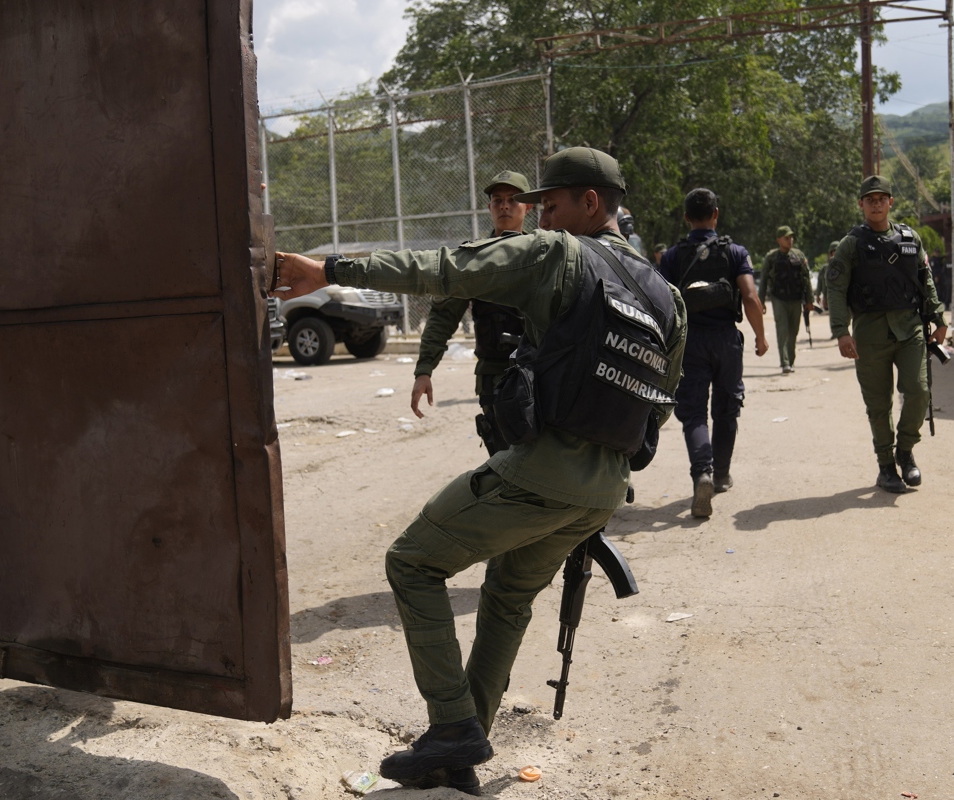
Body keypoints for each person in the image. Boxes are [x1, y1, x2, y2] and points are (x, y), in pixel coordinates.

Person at [275, 147, 685, 795]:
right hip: (604, 488)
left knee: (412, 561)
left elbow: (444, 269)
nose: (540, 216)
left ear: (591, 202)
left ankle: (452, 727)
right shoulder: (667, 294)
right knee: (508, 595)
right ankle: (457, 750)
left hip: (545, 467)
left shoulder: (557, 254)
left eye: (550, 205)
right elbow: (660, 401)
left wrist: (328, 269)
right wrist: (602, 477)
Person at [826, 176, 947, 493]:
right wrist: (841, 331)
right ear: (861, 204)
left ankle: (905, 451)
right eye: (870, 199)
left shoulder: (910, 238)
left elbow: (926, 279)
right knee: (879, 405)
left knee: (919, 392)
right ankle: (885, 467)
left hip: (910, 329)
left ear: (891, 202)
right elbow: (836, 288)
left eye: (882, 198)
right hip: (869, 335)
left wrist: (938, 317)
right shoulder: (851, 245)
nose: (876, 203)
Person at [658, 188, 768, 517]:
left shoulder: (673, 256)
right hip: (726, 341)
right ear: (716, 215)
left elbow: (662, 301)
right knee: (727, 408)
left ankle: (701, 473)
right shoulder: (735, 252)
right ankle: (720, 475)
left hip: (691, 342)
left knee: (693, 414)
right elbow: (749, 296)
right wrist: (761, 336)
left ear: (686, 218)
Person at [411, 170, 533, 454]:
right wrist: (424, 369)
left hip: (542, 372)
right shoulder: (473, 260)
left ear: (528, 206)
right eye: (497, 200)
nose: (504, 206)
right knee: (504, 462)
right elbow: (443, 316)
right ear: (489, 207)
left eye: (513, 200)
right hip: (496, 378)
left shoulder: (545, 253)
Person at [759, 225, 815, 374]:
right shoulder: (771, 257)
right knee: (782, 330)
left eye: (791, 237)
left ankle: (790, 360)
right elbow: (763, 280)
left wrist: (809, 300)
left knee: (793, 332)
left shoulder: (799, 256)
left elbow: (806, 279)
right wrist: (761, 302)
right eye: (786, 237)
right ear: (778, 240)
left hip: (796, 299)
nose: (790, 240)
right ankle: (785, 363)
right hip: (779, 299)